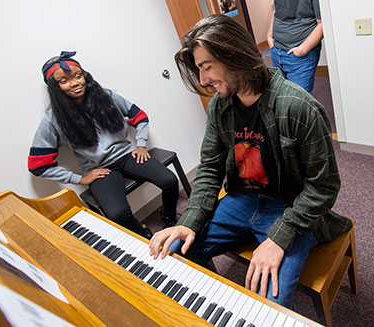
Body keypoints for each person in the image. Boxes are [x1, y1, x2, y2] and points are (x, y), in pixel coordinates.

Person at [149, 15, 352, 309]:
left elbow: (324, 186)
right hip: (241, 199)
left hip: (289, 205)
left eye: (207, 67)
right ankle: (215, 310)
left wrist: (279, 237)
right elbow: (208, 169)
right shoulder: (220, 106)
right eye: (199, 69)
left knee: (269, 306)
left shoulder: (299, 107)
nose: (204, 79)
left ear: (235, 55)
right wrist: (189, 221)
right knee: (177, 251)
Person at [28, 51, 179, 239]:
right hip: (100, 169)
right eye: (64, 81)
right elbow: (37, 165)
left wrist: (140, 144)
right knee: (117, 214)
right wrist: (79, 179)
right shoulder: (52, 120)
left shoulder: (107, 96)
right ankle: (144, 236)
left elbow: (140, 117)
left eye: (78, 76)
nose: (75, 83)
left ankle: (169, 220)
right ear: (55, 87)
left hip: (127, 155)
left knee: (170, 181)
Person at [267, 0, 323, 93]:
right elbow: (276, 10)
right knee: (280, 95)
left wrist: (302, 50)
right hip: (276, 50)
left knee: (298, 99)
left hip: (299, 56)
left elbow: (322, 24)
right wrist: (269, 35)